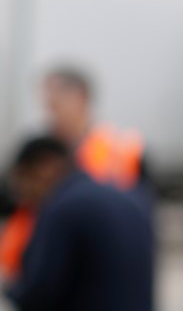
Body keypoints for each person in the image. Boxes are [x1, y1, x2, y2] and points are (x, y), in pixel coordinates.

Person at [0, 66, 153, 281]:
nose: (50, 113)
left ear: (81, 98)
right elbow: (15, 205)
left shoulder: (120, 150)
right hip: (49, 266)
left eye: (55, 104)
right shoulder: (40, 152)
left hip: (99, 266)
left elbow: (142, 219)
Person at [3, 136, 154, 311]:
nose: (22, 193)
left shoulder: (62, 207)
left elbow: (38, 293)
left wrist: (9, 287)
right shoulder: (132, 199)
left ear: (45, 167)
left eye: (22, 179)